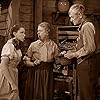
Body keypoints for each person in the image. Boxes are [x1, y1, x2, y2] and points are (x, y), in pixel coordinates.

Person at [61, 4, 97, 100]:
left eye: (72, 17)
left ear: (80, 15)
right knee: (84, 94)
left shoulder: (87, 26)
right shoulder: (83, 26)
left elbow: (90, 48)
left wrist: (73, 54)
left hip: (88, 64)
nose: (71, 20)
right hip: (84, 64)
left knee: (87, 95)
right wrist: (71, 51)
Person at [23, 22, 59, 100]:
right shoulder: (33, 45)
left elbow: (57, 61)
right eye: (37, 31)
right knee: (36, 95)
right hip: (35, 72)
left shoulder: (54, 45)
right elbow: (25, 61)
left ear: (47, 32)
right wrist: (32, 64)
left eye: (40, 31)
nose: (38, 33)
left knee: (46, 94)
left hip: (47, 73)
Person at [0, 24, 25, 100]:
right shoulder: (9, 45)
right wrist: (12, 83)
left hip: (14, 73)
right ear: (14, 34)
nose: (24, 35)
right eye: (22, 32)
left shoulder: (16, 45)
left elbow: (15, 58)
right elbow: (3, 65)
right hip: (7, 75)